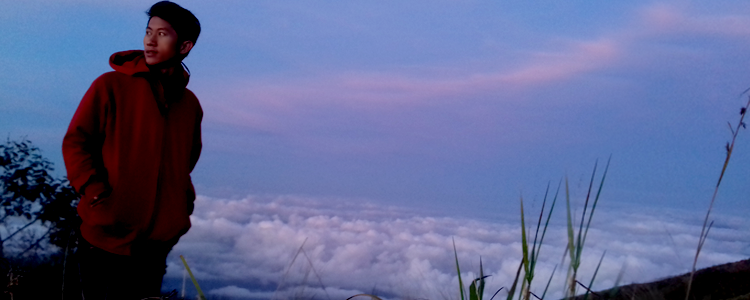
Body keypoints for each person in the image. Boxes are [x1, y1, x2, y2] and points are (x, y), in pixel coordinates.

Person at [62, 1, 202, 299]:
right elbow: (76, 141)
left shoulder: (189, 105)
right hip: (104, 236)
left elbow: (185, 162)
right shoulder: (110, 86)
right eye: (148, 31)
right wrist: (95, 191)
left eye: (162, 34)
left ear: (184, 45)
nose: (150, 40)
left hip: (155, 245)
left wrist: (181, 204)